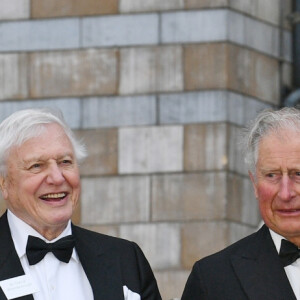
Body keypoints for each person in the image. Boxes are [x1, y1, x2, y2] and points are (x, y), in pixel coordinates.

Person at [0, 108, 161, 300]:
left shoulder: (124, 258)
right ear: (4, 184)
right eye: (36, 166)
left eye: (65, 162)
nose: (57, 177)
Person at [181, 107, 300, 300]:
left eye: (298, 174)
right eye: (271, 175)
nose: (285, 193)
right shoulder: (213, 279)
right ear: (254, 184)